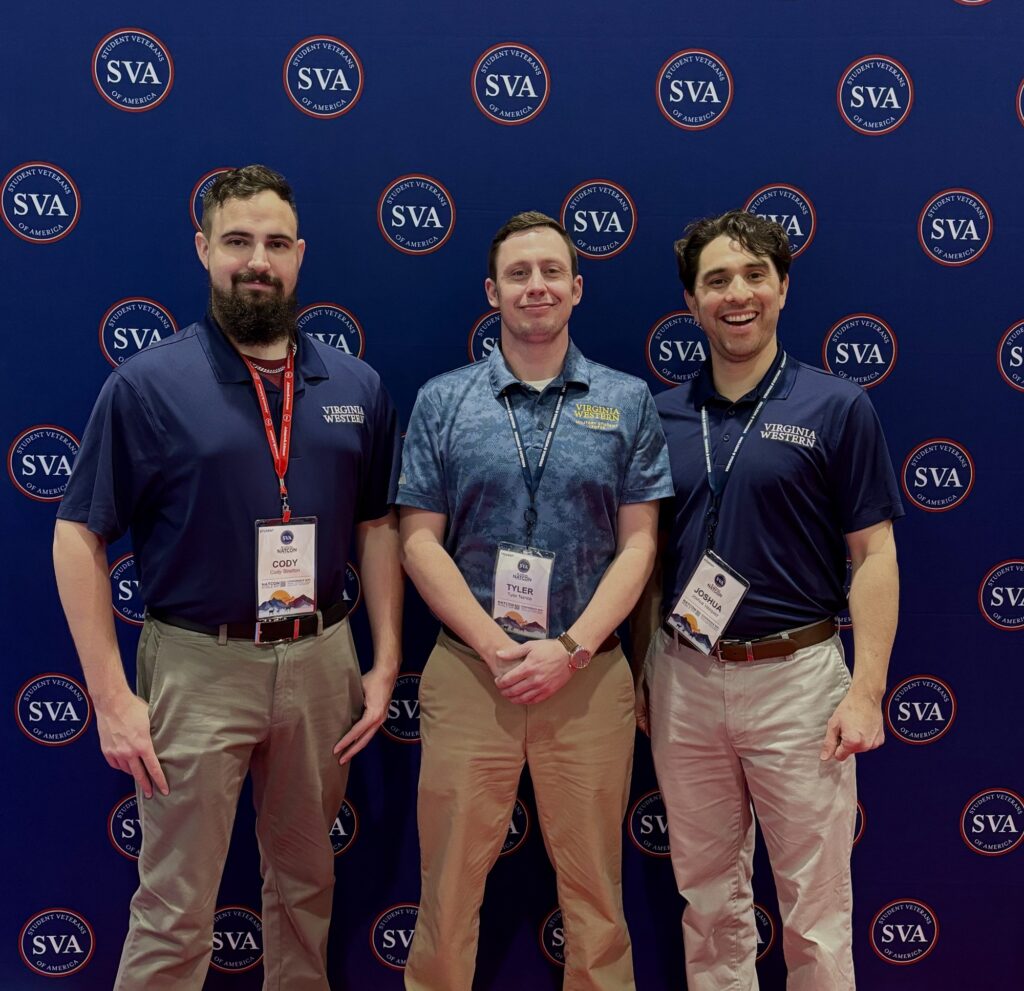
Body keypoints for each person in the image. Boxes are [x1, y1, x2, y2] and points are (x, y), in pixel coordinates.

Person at [52, 164, 402, 991]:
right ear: (205, 248)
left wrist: (384, 659)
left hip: (321, 659)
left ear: (301, 255)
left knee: (306, 890)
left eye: (276, 243)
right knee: (174, 904)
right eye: (238, 240)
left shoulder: (355, 384)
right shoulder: (147, 384)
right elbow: (76, 536)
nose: (258, 259)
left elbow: (379, 524)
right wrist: (109, 697)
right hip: (196, 665)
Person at [397, 211, 673, 991]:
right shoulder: (443, 401)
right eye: (518, 274)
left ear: (577, 288)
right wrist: (496, 646)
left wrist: (572, 647)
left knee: (595, 896)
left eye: (552, 271)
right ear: (492, 291)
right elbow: (418, 539)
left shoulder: (625, 401)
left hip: (587, 676)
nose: (536, 286)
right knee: (446, 891)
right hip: (470, 672)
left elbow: (641, 546)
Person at [636, 209, 902, 990]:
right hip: (685, 676)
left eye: (755, 275)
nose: (737, 293)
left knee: (815, 915)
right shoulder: (661, 415)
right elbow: (648, 561)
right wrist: (649, 665)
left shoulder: (836, 406)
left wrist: (867, 690)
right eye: (716, 280)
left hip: (798, 681)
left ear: (783, 288)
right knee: (709, 907)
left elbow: (875, 554)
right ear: (692, 301)